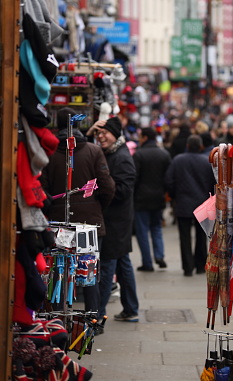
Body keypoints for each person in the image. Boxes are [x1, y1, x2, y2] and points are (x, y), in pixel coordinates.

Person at [40, 107, 116, 316]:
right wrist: (95, 206)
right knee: (88, 271)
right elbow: (108, 187)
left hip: (57, 222)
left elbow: (42, 190)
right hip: (89, 222)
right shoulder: (93, 151)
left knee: (58, 270)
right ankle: (93, 317)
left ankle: (55, 317)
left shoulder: (48, 152)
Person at [87, 116, 139, 323]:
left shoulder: (122, 157)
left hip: (116, 221)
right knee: (122, 263)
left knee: (108, 265)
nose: (101, 137)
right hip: (117, 219)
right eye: (98, 133)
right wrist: (89, 132)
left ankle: (98, 314)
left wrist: (101, 190)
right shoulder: (112, 153)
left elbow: (124, 190)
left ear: (115, 134)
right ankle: (131, 308)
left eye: (104, 133)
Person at [165, 135, 216, 276]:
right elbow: (213, 183)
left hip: (183, 202)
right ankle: (200, 265)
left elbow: (169, 180)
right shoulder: (206, 162)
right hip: (202, 203)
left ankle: (187, 267)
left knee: (184, 237)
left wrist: (175, 195)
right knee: (201, 236)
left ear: (187, 145)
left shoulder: (178, 160)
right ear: (200, 146)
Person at [133, 127, 172, 271]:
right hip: (158, 197)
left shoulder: (139, 155)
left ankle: (147, 262)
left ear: (144, 137)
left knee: (142, 231)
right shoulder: (164, 154)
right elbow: (168, 178)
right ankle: (159, 255)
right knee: (156, 227)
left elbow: (134, 178)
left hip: (141, 199)